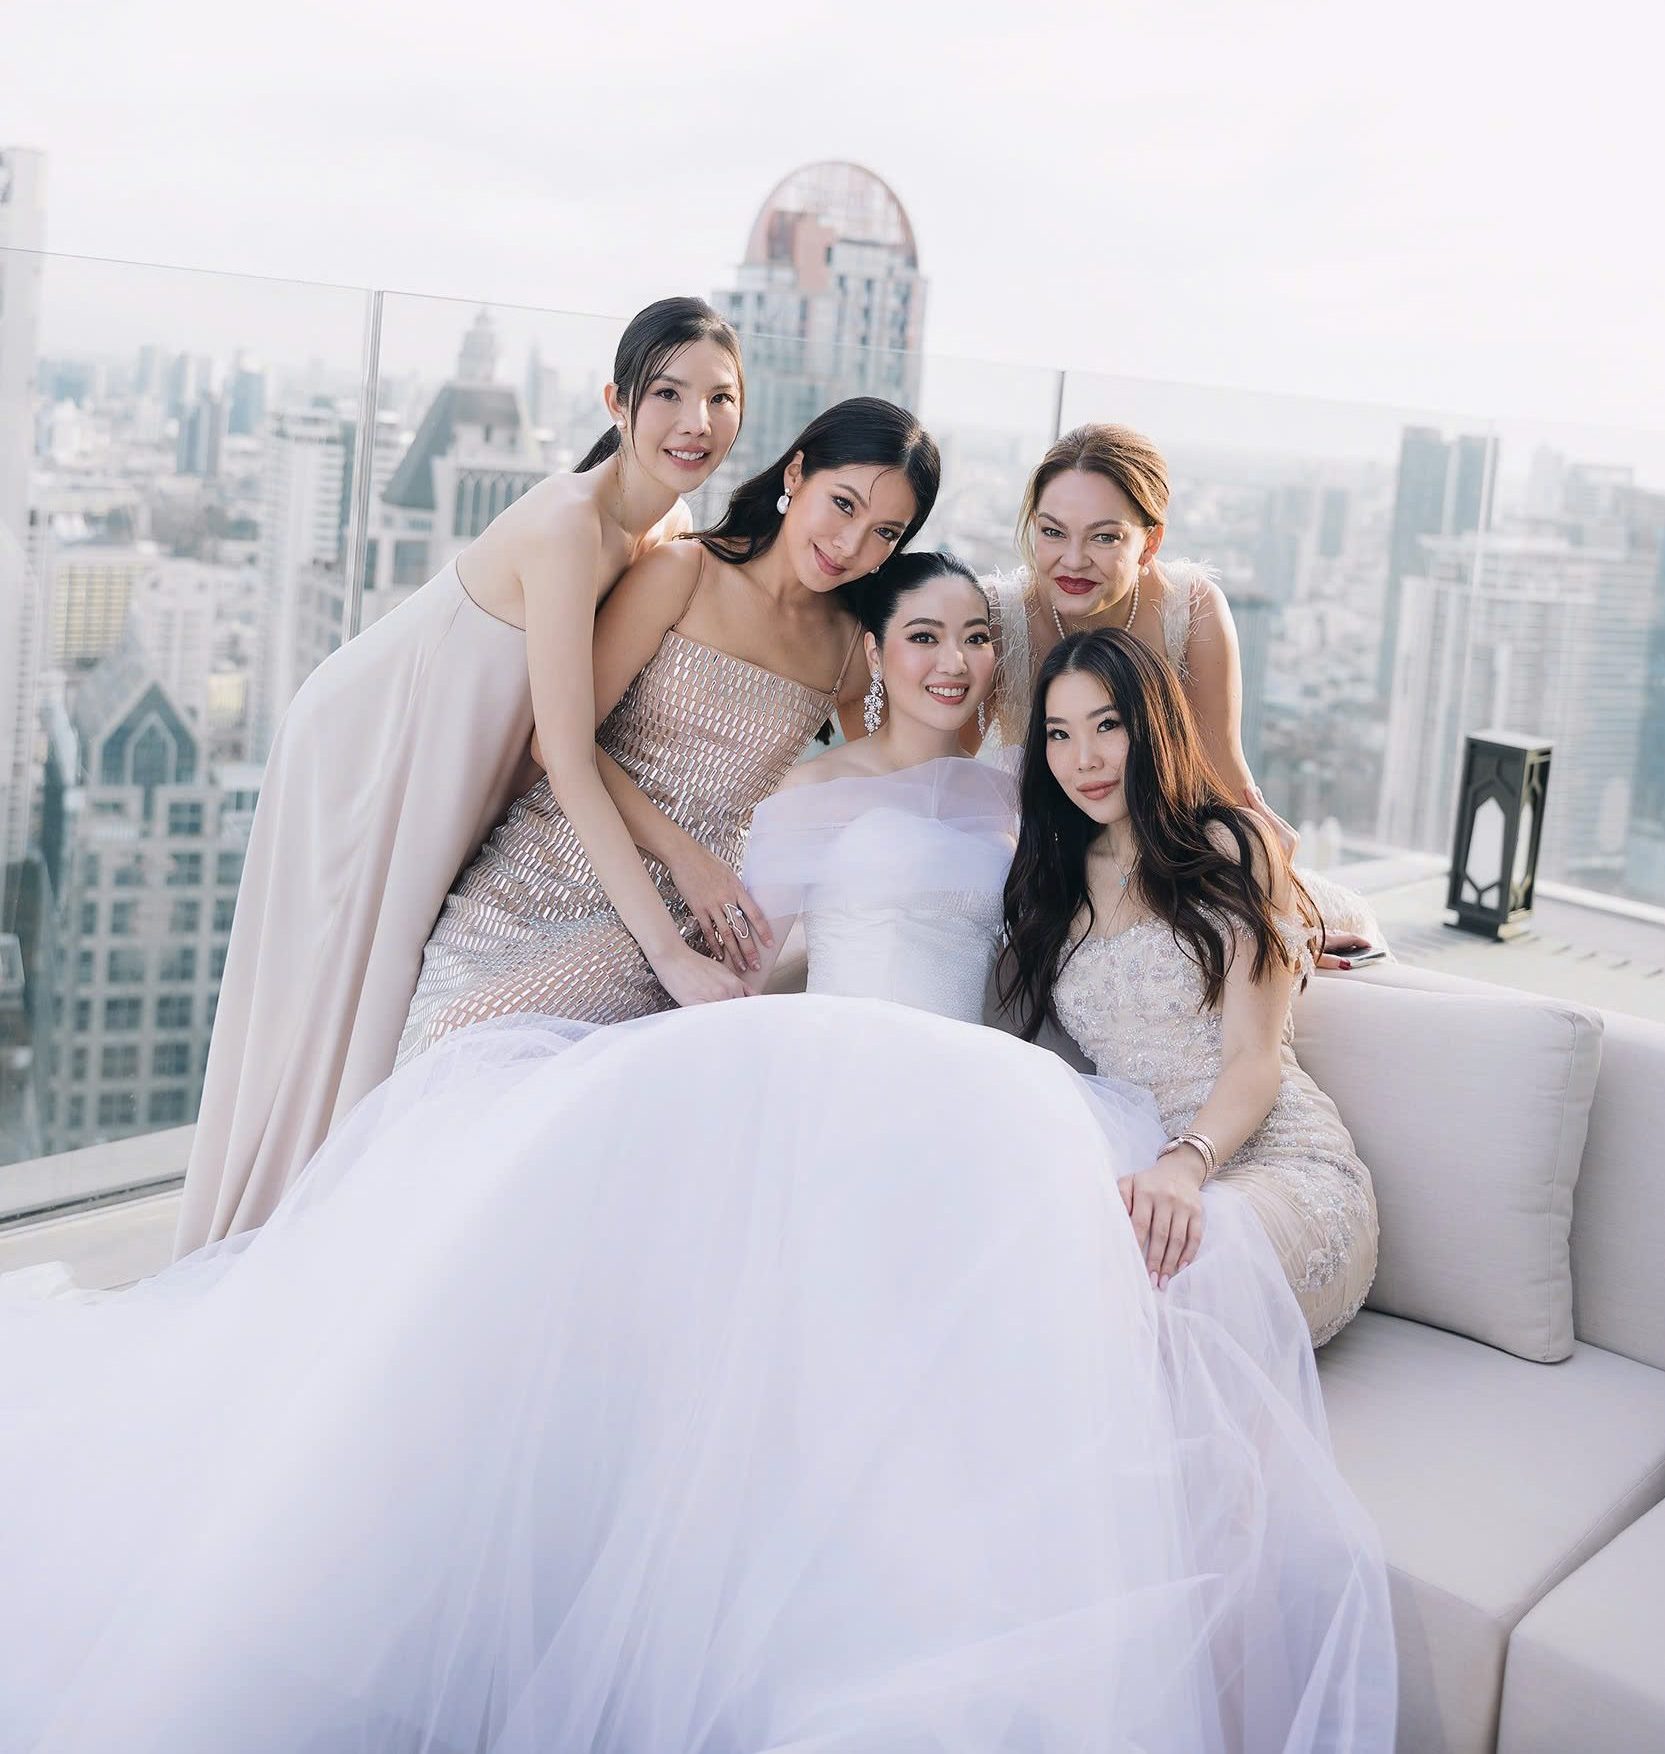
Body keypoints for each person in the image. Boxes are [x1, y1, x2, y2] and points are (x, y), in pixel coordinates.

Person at [0, 555, 1394, 1751]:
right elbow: (745, 939)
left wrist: (1311, 900)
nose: (958, 661)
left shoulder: (1031, 813)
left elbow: (1157, 901)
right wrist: (646, 1002)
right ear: (873, 653)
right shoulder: (808, 796)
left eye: (979, 637)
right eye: (923, 633)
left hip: (977, 1089)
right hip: (837, 1060)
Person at [175, 296, 745, 1256]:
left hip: (459, 760)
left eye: (720, 398)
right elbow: (566, 756)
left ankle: (319, 1244)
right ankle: (269, 1248)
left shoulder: (670, 526)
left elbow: (575, 734)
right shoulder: (569, 524)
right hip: (374, 749)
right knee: (333, 1005)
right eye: (668, 394)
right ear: (617, 403)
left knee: (374, 998)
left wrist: (689, 848)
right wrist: (670, 952)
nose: (696, 422)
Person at [395, 396, 938, 1060]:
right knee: (449, 1037)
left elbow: (891, 770)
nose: (850, 545)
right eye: (844, 504)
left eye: (885, 532)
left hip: (687, 919)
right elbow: (558, 744)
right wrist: (688, 857)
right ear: (796, 475)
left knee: (486, 1053)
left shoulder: (851, 652)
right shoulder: (683, 571)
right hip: (546, 869)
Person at [1001, 625, 1380, 1344]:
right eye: (1058, 734)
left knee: (1154, 1302)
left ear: (1151, 725)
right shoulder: (1049, 885)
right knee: (1045, 1284)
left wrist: (1184, 1164)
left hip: (1276, 1164)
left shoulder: (1231, 846)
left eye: (1107, 725)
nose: (1084, 760)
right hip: (1147, 1167)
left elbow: (1253, 1058)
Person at [984, 422, 1381, 962]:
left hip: (1171, 872)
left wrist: (1281, 920)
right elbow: (938, 771)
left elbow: (1224, 780)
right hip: (1035, 878)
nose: (1072, 560)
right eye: (1052, 532)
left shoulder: (1190, 609)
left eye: (1104, 537)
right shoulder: (996, 620)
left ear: (1150, 542)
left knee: (1352, 927)